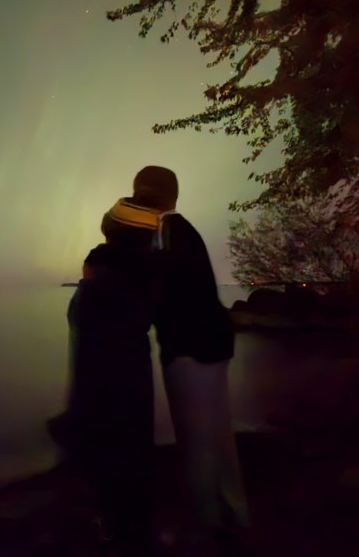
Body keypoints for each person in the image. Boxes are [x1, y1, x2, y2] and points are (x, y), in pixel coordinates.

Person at [133, 165, 252, 552]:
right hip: (212, 344)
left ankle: (205, 525)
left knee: (196, 439)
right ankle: (233, 513)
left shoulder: (164, 234)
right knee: (217, 432)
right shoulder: (182, 230)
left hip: (190, 349)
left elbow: (156, 290)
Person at [62, 197, 162, 556]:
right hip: (128, 390)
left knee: (112, 463)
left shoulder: (95, 288)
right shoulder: (133, 283)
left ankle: (114, 524)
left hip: (101, 394)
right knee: (131, 458)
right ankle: (129, 527)